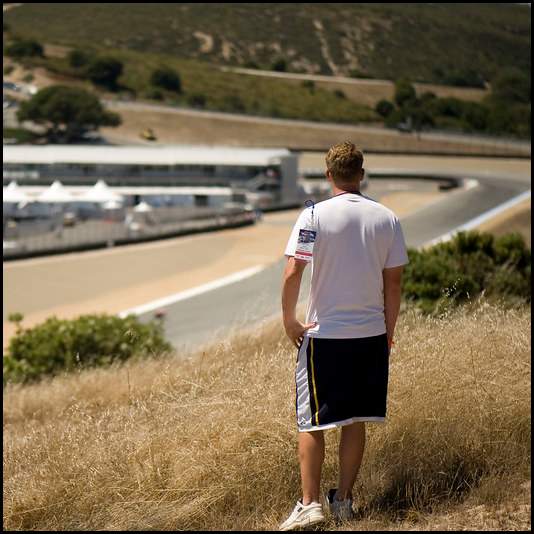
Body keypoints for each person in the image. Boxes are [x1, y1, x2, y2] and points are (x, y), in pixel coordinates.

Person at [279, 141, 408, 530]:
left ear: (329, 174)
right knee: (355, 420)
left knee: (312, 421)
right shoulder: (387, 218)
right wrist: (387, 332)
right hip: (370, 335)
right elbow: (394, 284)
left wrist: (289, 319)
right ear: (361, 174)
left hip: (325, 336)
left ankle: (309, 504)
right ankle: (345, 501)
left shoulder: (313, 216)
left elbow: (292, 273)